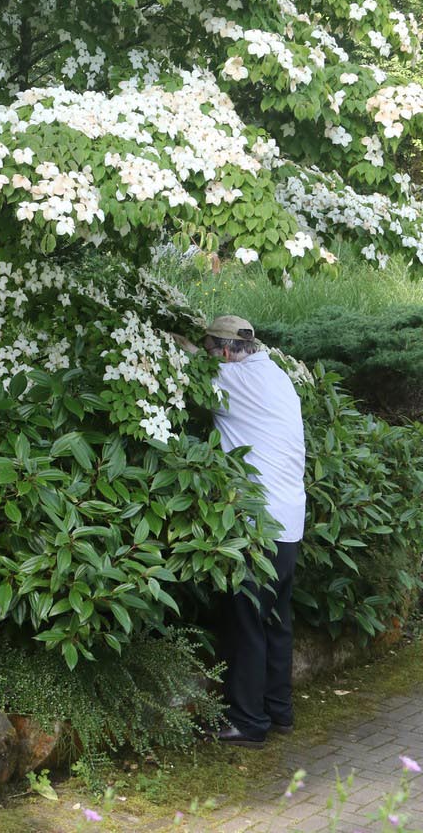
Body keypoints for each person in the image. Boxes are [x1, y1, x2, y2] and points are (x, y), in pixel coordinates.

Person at [204, 314, 306, 748]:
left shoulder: (230, 383)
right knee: (276, 620)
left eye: (211, 349)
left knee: (247, 622)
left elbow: (189, 374)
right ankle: (278, 710)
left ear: (226, 353)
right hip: (290, 521)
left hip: (256, 523)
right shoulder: (277, 376)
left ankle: (247, 723)